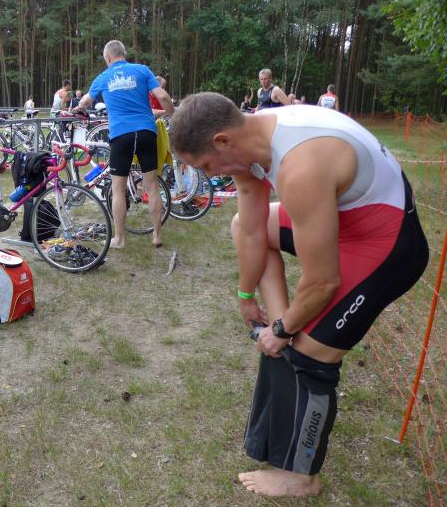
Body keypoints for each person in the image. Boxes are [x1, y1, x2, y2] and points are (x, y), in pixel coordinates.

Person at [168, 92, 429, 498]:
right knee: (242, 227)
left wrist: (285, 331)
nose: (208, 175)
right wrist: (246, 295)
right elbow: (252, 229)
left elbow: (322, 280)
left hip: (386, 243)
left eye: (204, 166)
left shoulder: (299, 166)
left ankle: (302, 477)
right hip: (345, 217)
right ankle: (285, 336)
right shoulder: (250, 140)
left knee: (310, 354)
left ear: (222, 141)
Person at [76, 40, 174, 249]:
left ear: (107, 57)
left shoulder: (103, 77)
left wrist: (78, 109)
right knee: (152, 185)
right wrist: (174, 116)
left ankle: (119, 238)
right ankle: (157, 235)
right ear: (124, 54)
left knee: (118, 189)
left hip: (121, 134)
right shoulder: (142, 70)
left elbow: (84, 102)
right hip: (147, 132)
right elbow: (163, 96)